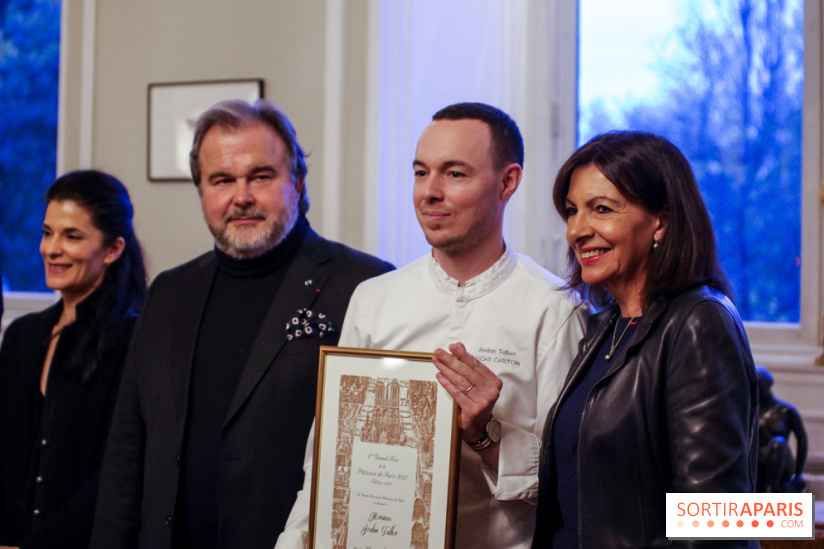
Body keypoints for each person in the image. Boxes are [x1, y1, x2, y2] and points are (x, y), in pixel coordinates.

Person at [276, 102, 588, 549]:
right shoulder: (373, 300)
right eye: (421, 172)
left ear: (507, 182)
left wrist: (487, 433)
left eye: (454, 173)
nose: (429, 192)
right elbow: (328, 457)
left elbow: (573, 479)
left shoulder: (554, 310)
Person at [90, 99, 393, 549]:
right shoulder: (169, 293)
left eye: (261, 176)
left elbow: (385, 455)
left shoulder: (365, 287)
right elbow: (126, 453)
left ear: (298, 182)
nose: (242, 196)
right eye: (222, 180)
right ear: (202, 190)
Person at [533, 131, 759, 548]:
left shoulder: (699, 323)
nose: (576, 230)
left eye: (602, 209)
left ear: (662, 221)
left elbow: (713, 525)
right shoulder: (604, 327)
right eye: (572, 211)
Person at [0, 170, 148, 549]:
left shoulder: (134, 340)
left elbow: (116, 474)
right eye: (47, 232)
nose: (51, 249)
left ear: (113, 249)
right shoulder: (22, 336)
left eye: (72, 236)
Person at [755, 365, 808, 493]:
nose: (758, 391)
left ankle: (774, 489)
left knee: (778, 442)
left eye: (760, 386)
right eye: (755, 387)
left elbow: (802, 440)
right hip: (757, 462)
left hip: (781, 463)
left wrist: (798, 474)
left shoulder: (786, 411)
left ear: (767, 385)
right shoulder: (752, 412)